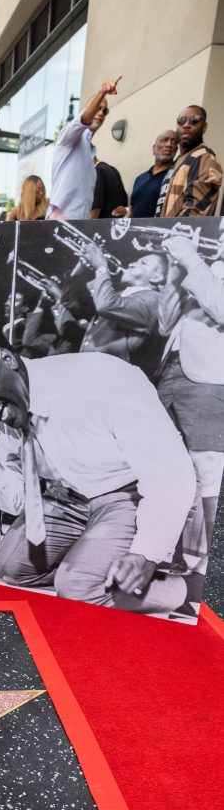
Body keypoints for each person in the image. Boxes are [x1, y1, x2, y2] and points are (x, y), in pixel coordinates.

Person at [0, 320, 196, 615]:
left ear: (7, 359)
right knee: (10, 567)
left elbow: (169, 472)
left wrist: (146, 553)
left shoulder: (99, 377)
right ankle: (95, 574)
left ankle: (178, 589)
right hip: (70, 496)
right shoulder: (0, 413)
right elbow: (18, 502)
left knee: (75, 587)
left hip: (129, 493)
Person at [156, 234, 224, 579]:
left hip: (209, 377)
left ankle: (212, 577)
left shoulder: (204, 266)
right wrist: (173, 268)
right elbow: (165, 324)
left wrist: (193, 260)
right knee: (167, 468)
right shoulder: (205, 266)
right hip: (171, 370)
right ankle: (170, 556)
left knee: (209, 472)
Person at [74, 241, 168, 378]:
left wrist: (101, 267)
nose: (131, 264)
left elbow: (106, 305)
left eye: (143, 263)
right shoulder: (119, 294)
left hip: (111, 378)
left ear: (156, 277)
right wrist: (82, 263)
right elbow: (69, 301)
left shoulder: (155, 300)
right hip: (89, 371)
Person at [47, 76, 121, 220]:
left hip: (78, 227)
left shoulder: (90, 155)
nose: (100, 113)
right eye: (98, 108)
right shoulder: (68, 137)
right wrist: (102, 93)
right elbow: (84, 120)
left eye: (105, 111)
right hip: (59, 221)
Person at [155, 106, 222, 217]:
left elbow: (195, 212)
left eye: (194, 120)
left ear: (204, 127)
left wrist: (167, 233)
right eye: (181, 121)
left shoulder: (204, 157)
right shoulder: (178, 161)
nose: (186, 125)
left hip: (176, 233)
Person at [125, 130, 178, 218]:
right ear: (154, 148)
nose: (169, 144)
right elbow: (132, 210)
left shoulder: (175, 176)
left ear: (176, 150)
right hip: (135, 230)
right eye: (164, 140)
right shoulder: (140, 178)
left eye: (174, 142)